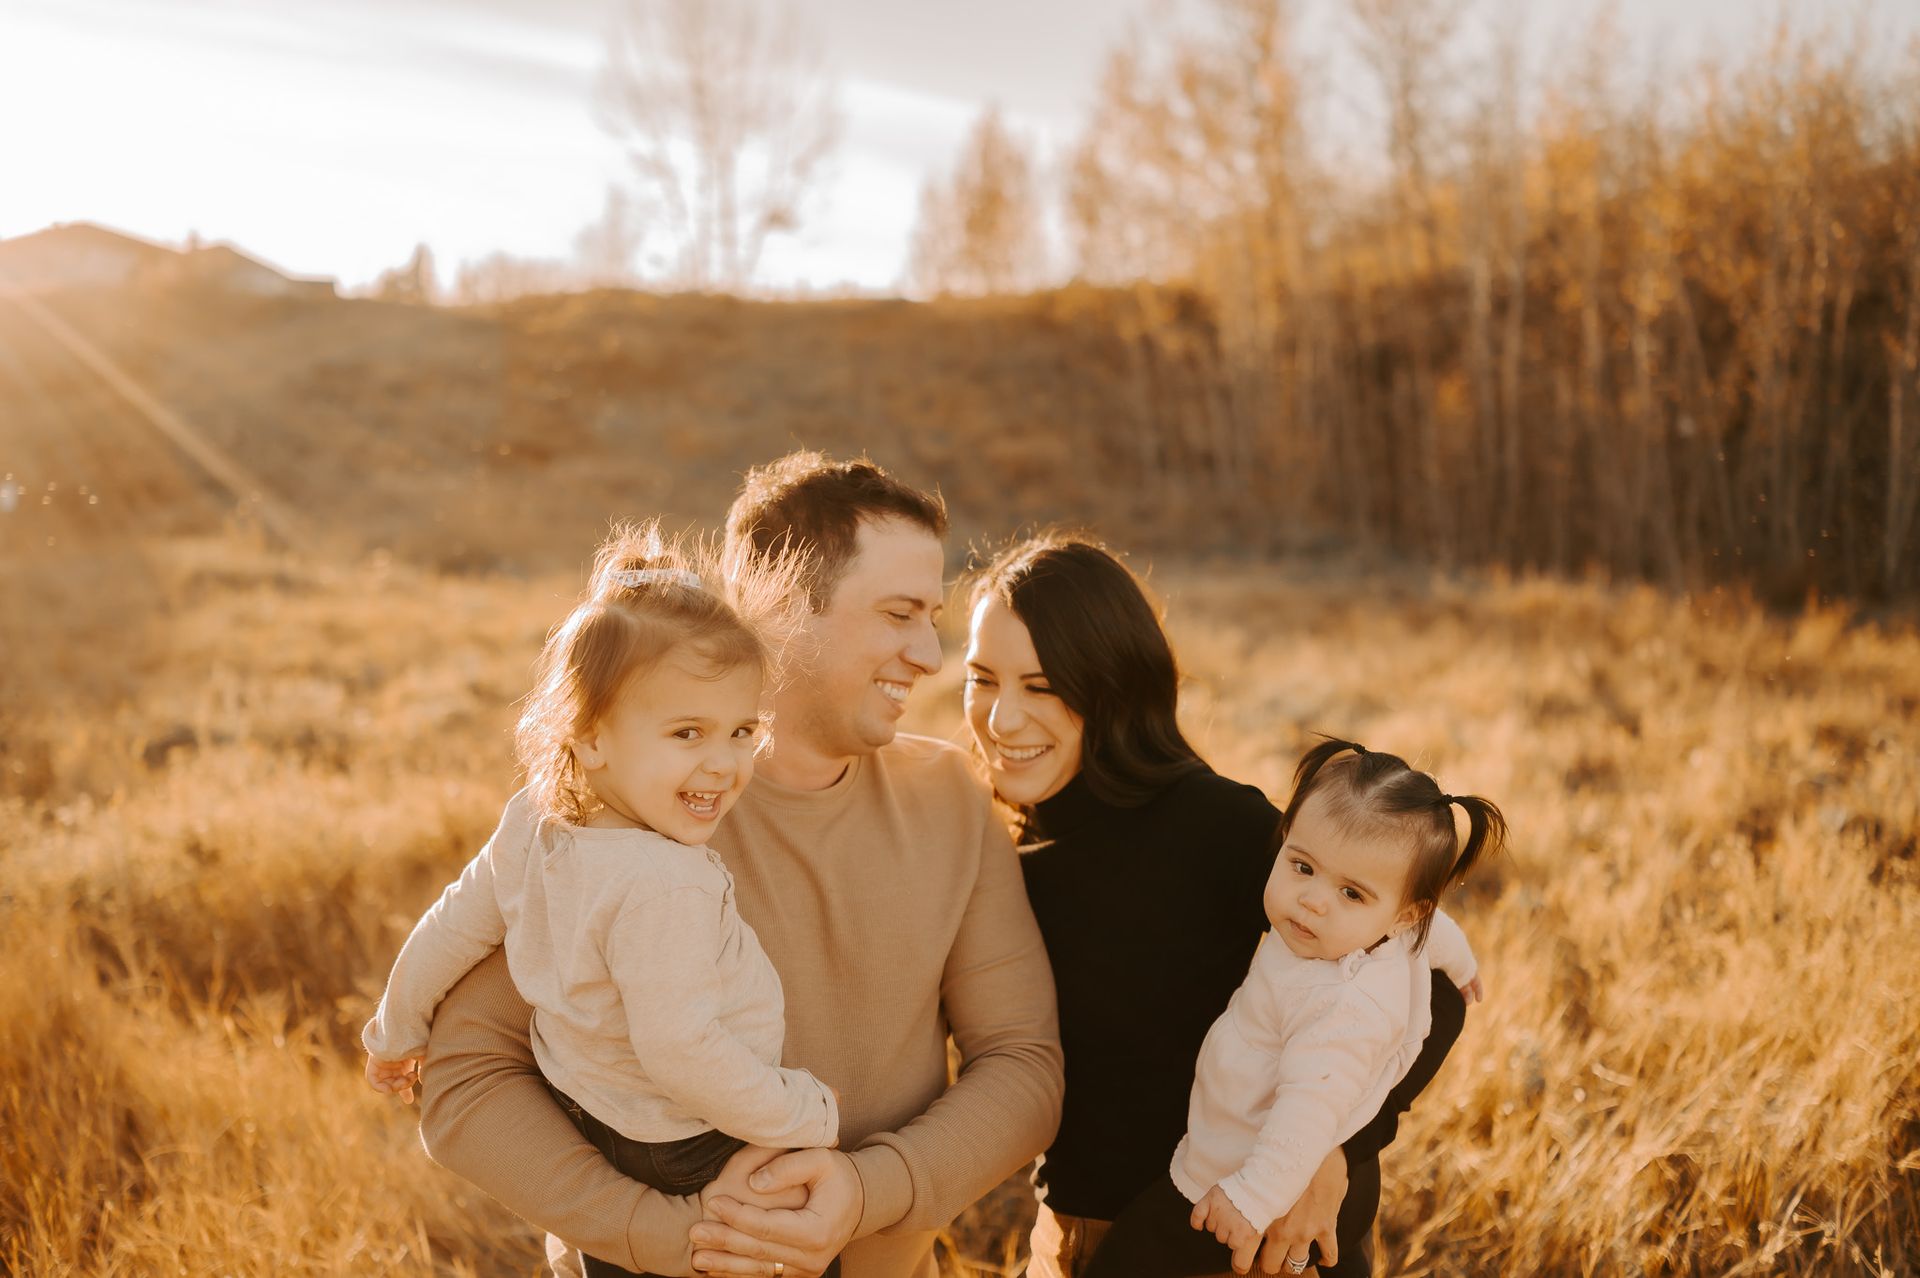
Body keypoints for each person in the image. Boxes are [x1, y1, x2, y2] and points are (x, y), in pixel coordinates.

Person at [410, 452, 1065, 1278]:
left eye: (931, 617)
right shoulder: (621, 813)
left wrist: (865, 1192)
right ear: (780, 605)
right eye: (899, 614)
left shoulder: (951, 799)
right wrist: (665, 1236)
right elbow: (466, 1078)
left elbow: (1023, 1063)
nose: (929, 656)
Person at [960, 535, 1471, 1278]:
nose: (1002, 720)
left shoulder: (1211, 825)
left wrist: (1336, 1151)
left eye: (1042, 686)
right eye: (982, 679)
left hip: (1246, 1237)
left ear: (1114, 684)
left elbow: (1431, 989)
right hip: (1081, 1235)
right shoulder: (1001, 859)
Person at [361, 523, 839, 1277]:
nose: (723, 764)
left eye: (742, 730)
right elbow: (681, 1049)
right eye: (687, 733)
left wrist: (394, 1032)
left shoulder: (534, 821)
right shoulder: (665, 881)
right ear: (587, 737)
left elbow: (451, 926)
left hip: (596, 1125)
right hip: (704, 1141)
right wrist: (802, 1111)